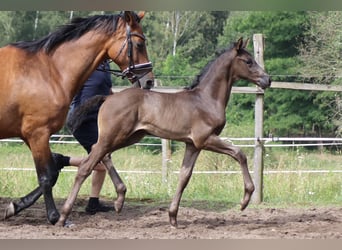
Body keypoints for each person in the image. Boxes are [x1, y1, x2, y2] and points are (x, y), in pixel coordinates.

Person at [53, 60, 114, 215]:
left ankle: (93, 203)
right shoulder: (85, 64)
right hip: (82, 120)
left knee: (104, 161)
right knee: (103, 163)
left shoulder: (105, 66)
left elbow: (108, 92)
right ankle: (62, 160)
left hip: (97, 120)